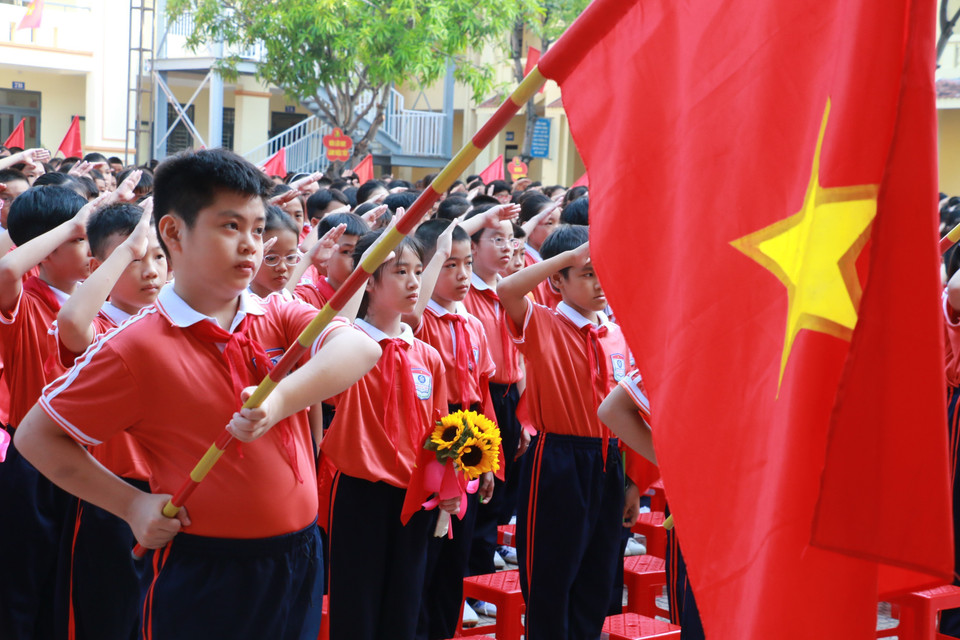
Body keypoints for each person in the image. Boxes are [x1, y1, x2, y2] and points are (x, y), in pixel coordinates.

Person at [14, 148, 381, 640]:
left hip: (299, 555)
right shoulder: (137, 346)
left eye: (258, 229)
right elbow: (36, 436)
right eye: (230, 226)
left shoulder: (277, 312)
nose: (250, 245)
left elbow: (359, 348)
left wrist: (279, 401)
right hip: (209, 570)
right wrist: (131, 505)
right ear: (172, 232)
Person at [498, 224, 632, 640]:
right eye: (588, 274)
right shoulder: (543, 322)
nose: (599, 284)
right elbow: (507, 290)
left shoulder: (616, 333)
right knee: (551, 580)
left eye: (603, 272)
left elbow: (630, 414)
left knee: (598, 576)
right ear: (557, 281)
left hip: (609, 459)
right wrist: (569, 257)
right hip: (558, 459)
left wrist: (631, 482)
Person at [322, 229, 454, 640]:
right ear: (368, 281)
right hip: (359, 493)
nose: (414, 282)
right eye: (400, 271)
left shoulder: (427, 356)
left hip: (414, 498)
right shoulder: (347, 346)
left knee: (405, 607)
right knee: (356, 608)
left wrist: (449, 486)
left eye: (417, 271)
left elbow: (441, 432)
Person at [54, 198, 168, 640]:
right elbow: (71, 323)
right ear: (98, 267)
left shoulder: (176, 322)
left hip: (173, 493)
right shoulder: (98, 325)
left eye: (159, 256)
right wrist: (128, 248)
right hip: (111, 496)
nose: (150, 271)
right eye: (135, 259)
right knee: (111, 618)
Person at [0, 184, 94, 639]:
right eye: (81, 239)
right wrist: (70, 225)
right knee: (25, 578)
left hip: (86, 457)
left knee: (67, 578)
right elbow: (6, 269)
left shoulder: (96, 301)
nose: (92, 247)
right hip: (33, 462)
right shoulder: (27, 299)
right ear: (47, 249)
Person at [411, 219, 497, 639]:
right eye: (449, 264)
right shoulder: (417, 322)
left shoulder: (473, 324)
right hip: (428, 454)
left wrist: (488, 461)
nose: (463, 275)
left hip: (467, 455)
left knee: (454, 561)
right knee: (422, 560)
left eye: (466, 263)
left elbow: (483, 395)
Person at [461, 204, 529, 579]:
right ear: (472, 246)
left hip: (508, 399)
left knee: (499, 491)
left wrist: (525, 418)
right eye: (496, 239)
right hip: (478, 397)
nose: (506, 247)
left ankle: (483, 573)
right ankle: (470, 576)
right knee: (477, 488)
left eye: (510, 240)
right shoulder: (462, 293)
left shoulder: (511, 292)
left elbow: (521, 356)